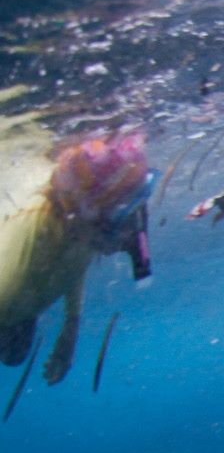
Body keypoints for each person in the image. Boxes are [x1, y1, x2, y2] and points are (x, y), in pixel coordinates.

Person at [0, 124, 153, 388]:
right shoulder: (23, 255)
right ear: (78, 213)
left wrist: (71, 326)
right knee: (13, 352)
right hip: (12, 306)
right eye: (118, 217)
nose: (125, 233)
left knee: (15, 355)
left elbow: (73, 262)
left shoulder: (79, 229)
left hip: (21, 307)